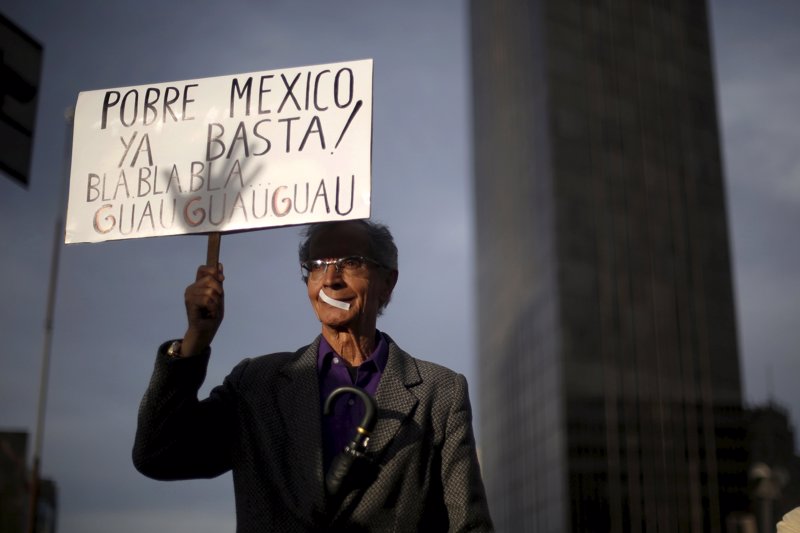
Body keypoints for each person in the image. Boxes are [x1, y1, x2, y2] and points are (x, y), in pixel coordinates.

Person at [133, 219, 494, 532]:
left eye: (351, 262)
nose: (331, 279)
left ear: (388, 282)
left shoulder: (439, 392)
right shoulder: (256, 384)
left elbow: (469, 526)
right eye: (318, 264)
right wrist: (196, 338)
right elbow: (160, 454)